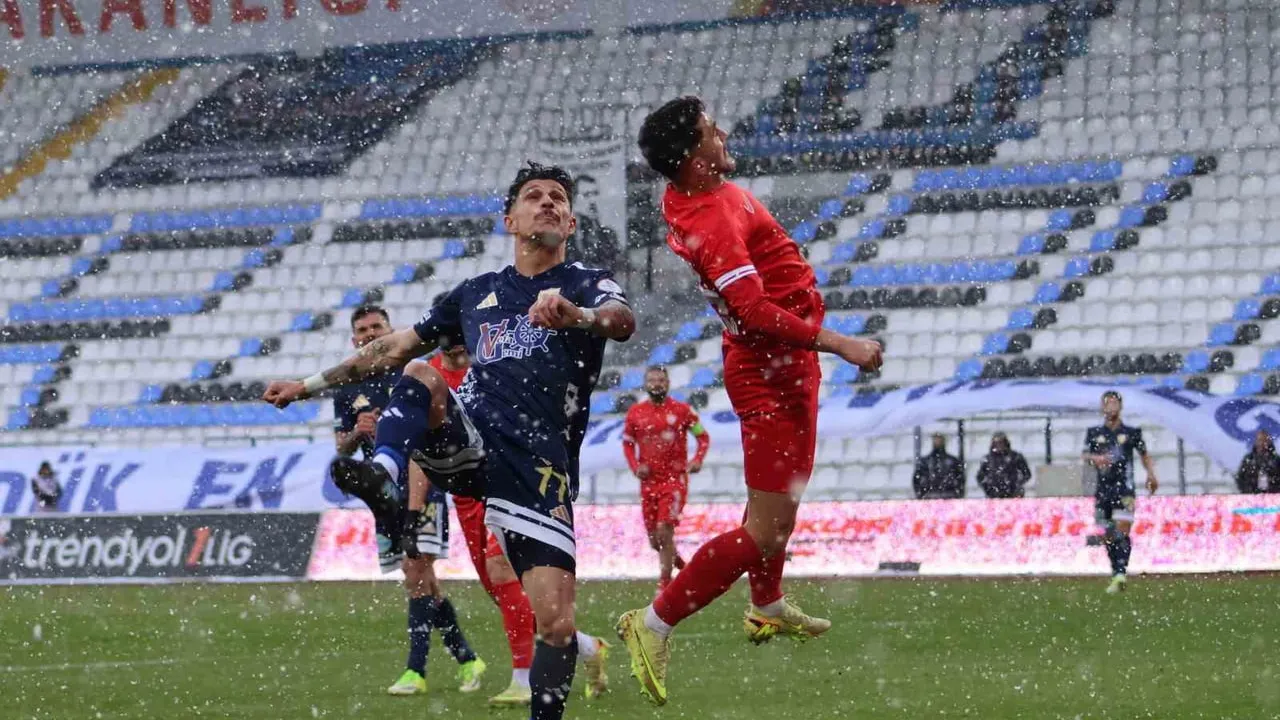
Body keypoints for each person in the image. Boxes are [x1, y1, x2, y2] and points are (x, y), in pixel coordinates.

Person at [265, 161, 633, 720]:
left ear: (573, 222)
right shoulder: (475, 294)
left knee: (556, 626)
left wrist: (578, 315)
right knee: (419, 375)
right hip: (475, 441)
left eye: (558, 197)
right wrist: (307, 385)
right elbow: (390, 350)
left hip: (541, 467)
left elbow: (622, 319)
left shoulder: (585, 281)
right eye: (535, 196)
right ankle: (384, 476)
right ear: (510, 219)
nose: (548, 203)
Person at [619, 96, 883, 706]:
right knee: (764, 530)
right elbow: (754, 310)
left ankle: (765, 605)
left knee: (779, 510)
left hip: (787, 367)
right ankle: (652, 623)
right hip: (768, 371)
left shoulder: (692, 198)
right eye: (711, 132)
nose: (724, 135)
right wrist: (840, 342)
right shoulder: (710, 218)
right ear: (691, 156)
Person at [428, 344, 612, 706]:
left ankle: (523, 677)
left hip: (507, 478)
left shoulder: (495, 358)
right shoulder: (432, 377)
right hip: (466, 494)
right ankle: (585, 645)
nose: (456, 343)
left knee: (503, 572)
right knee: (502, 590)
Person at [329, 305, 487, 698]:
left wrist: (415, 508)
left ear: (390, 330)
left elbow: (427, 433)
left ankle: (415, 670)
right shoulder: (349, 386)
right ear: (353, 339)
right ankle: (468, 658)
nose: (369, 334)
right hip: (384, 496)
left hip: (424, 483)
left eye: (376, 327)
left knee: (416, 575)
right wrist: (355, 435)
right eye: (362, 330)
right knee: (421, 579)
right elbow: (342, 447)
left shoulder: (413, 371)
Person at [621, 366, 709, 590]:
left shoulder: (682, 411)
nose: (657, 384)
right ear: (646, 384)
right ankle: (685, 568)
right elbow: (628, 443)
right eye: (652, 380)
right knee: (655, 541)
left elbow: (703, 436)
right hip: (648, 483)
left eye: (661, 380)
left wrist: (697, 459)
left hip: (674, 481)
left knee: (664, 530)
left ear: (668, 383)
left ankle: (665, 584)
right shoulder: (635, 413)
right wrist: (635, 465)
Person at [1082, 391, 1159, 594]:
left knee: (1123, 530)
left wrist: (1151, 475)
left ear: (1121, 406)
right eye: (1107, 403)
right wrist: (1095, 458)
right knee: (1108, 533)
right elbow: (1085, 455)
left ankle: (1120, 573)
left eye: (1114, 403)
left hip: (1125, 489)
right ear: (1102, 408)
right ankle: (1116, 572)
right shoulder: (1094, 433)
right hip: (1103, 490)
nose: (1111, 407)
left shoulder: (1132, 432)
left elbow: (1144, 455)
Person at [976, 433, 1033, 499]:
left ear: (1005, 443)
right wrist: (988, 488)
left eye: (1001, 443)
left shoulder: (1015, 457)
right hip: (994, 496)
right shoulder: (988, 459)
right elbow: (980, 477)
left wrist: (1017, 484)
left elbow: (1026, 474)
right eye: (996, 443)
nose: (999, 446)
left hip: (1013, 494)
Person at [912, 434, 966, 499]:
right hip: (930, 495)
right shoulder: (925, 461)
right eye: (936, 439)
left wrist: (958, 492)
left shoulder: (952, 461)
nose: (937, 441)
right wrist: (920, 493)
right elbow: (916, 479)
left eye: (939, 439)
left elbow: (961, 478)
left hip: (949, 495)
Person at [1235, 430, 1280, 494]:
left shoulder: (1276, 460)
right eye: (1260, 440)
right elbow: (1240, 479)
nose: (1262, 443)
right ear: (1256, 441)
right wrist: (1248, 490)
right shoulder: (1249, 459)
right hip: (1251, 496)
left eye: (1265, 440)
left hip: (1272, 497)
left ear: (1269, 442)